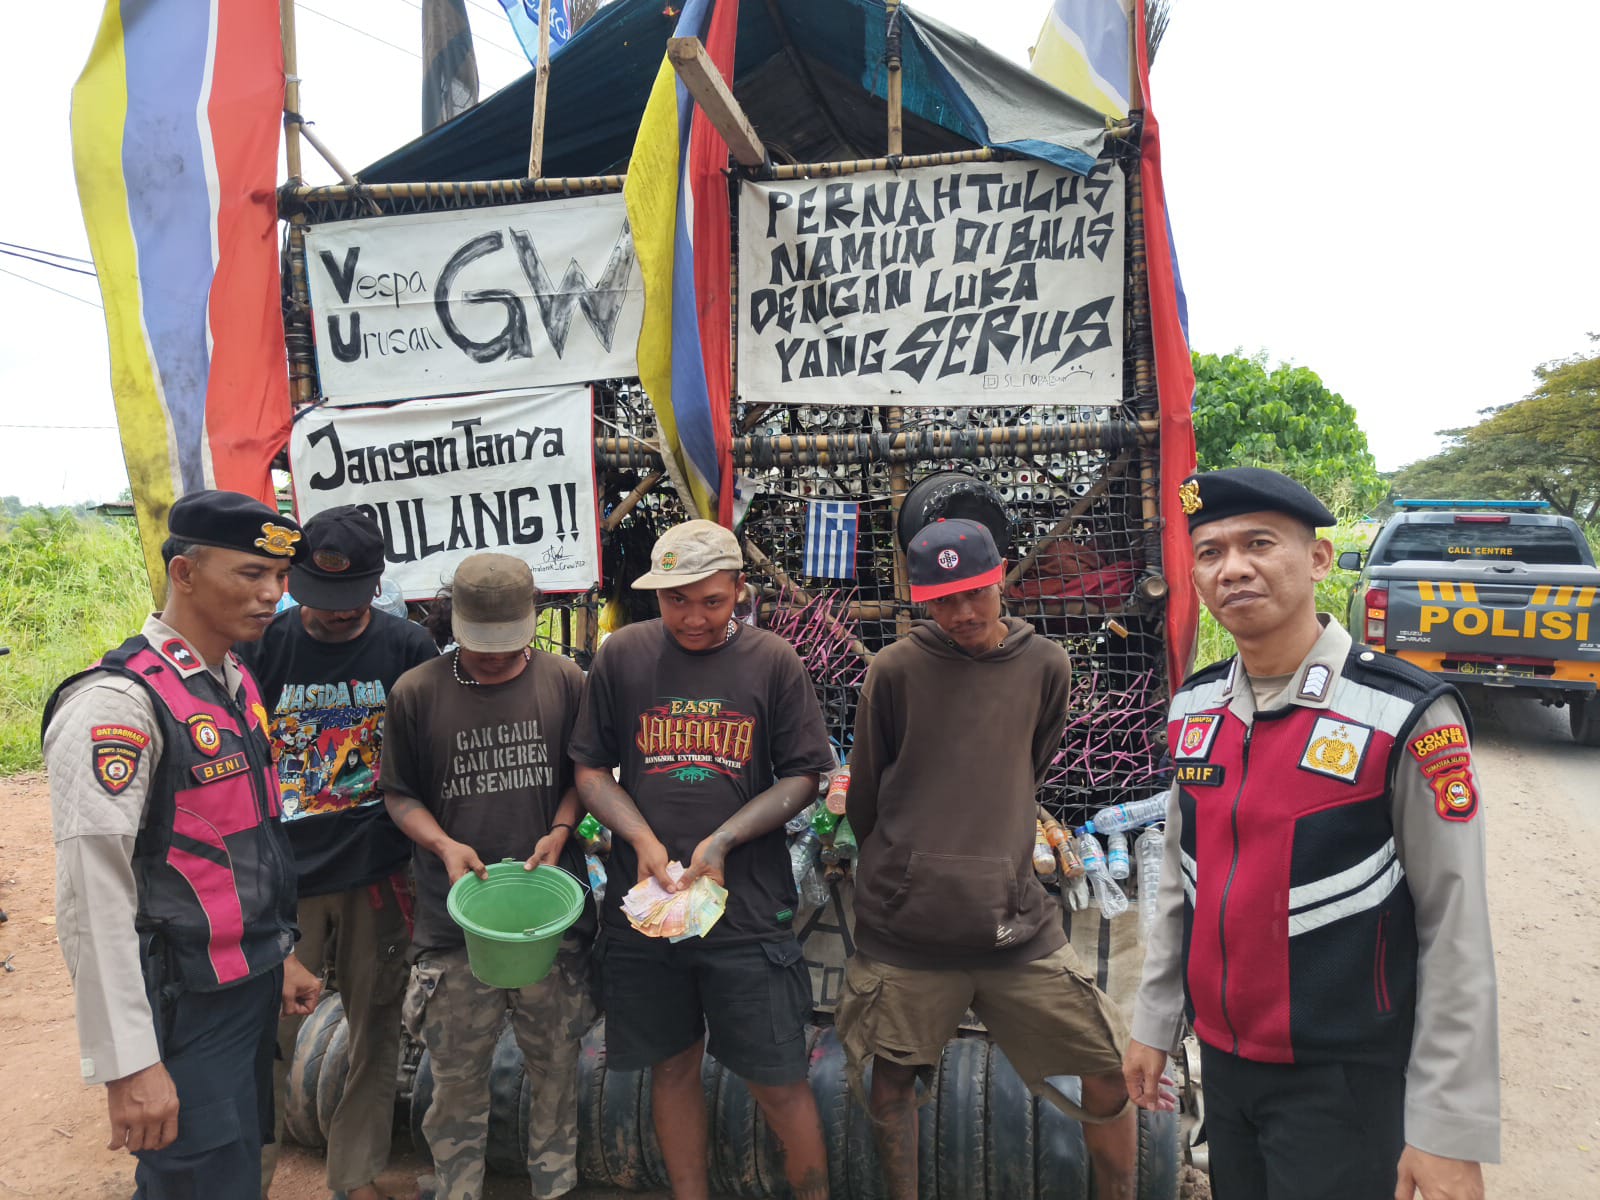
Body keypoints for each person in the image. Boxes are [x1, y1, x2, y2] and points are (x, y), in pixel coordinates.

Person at [1123, 468, 1500, 1200]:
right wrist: (1154, 1021)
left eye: (1258, 543)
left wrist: (1447, 1127)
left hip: (1347, 1085)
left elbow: (1455, 928)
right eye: (1210, 552)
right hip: (1226, 1072)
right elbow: (1179, 880)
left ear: (1319, 560)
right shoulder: (1195, 708)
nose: (1232, 567)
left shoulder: (1403, 715)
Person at [840, 517, 1137, 1200]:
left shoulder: (1045, 667)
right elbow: (868, 795)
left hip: (1014, 923)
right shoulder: (895, 672)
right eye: (943, 599)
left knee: (1108, 1060)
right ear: (921, 600)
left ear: (1002, 576)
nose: (963, 612)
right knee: (890, 1080)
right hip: (906, 927)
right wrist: (907, 869)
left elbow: (1027, 767)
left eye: (975, 592)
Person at [42, 490, 323, 1199]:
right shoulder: (118, 706)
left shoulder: (230, 681)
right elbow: (92, 897)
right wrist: (129, 1062)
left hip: (243, 990)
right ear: (184, 573)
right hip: (182, 1005)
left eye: (279, 579)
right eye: (250, 574)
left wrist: (276, 951)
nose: (271, 596)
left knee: (232, 1170)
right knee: (197, 1181)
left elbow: (236, 841)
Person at [570, 519, 835, 1200]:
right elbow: (592, 770)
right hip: (648, 906)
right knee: (672, 1066)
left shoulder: (773, 662)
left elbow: (805, 773)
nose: (693, 617)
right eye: (676, 600)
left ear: (740, 591)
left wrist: (722, 841)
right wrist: (640, 839)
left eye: (711, 601)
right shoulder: (622, 656)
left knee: (779, 1079)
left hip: (745, 910)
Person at [379, 553, 594, 1200]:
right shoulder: (417, 691)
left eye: (509, 645)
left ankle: (555, 1187)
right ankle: (457, 1189)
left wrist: (560, 831)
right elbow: (399, 795)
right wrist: (443, 844)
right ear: (453, 620)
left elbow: (586, 780)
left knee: (557, 1072)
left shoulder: (566, 681)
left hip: (549, 922)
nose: (496, 658)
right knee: (455, 1082)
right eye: (482, 647)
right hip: (456, 926)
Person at [240, 506, 438, 1200]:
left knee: (376, 1030)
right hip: (281, 879)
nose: (334, 616)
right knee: (265, 1040)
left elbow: (427, 763)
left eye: (350, 602)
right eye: (319, 603)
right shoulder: (262, 648)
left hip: (374, 875)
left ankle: (353, 1177)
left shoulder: (409, 649)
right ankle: (249, 1179)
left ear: (376, 584)